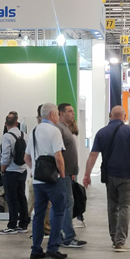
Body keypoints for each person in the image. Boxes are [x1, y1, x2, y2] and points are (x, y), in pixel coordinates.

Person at [82, 106, 130, 252]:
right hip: (127, 175)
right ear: (124, 117)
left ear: (110, 116)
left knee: (112, 207)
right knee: (125, 206)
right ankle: (120, 241)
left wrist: (87, 174)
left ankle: (114, 239)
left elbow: (93, 155)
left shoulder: (102, 132)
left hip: (109, 176)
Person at [24, 103, 67, 259]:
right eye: (57, 114)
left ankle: (36, 249)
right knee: (58, 211)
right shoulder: (54, 131)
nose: (58, 117)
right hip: (52, 180)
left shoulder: (34, 131)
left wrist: (35, 170)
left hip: (38, 181)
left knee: (39, 214)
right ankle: (53, 248)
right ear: (52, 115)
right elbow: (58, 157)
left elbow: (26, 157)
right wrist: (62, 175)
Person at [55, 103, 86, 248]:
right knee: (67, 203)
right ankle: (67, 237)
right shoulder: (59, 129)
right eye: (69, 111)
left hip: (68, 174)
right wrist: (62, 172)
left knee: (66, 203)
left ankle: (62, 235)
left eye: (73, 111)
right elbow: (58, 153)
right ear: (61, 113)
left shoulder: (66, 128)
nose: (73, 114)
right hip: (63, 174)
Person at [0, 114, 29, 234]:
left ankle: (12, 225)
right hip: (22, 170)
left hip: (10, 171)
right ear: (17, 122)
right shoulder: (24, 135)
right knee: (22, 197)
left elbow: (5, 156)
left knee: (11, 199)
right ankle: (23, 224)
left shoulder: (7, 136)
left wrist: (2, 170)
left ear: (5, 124)